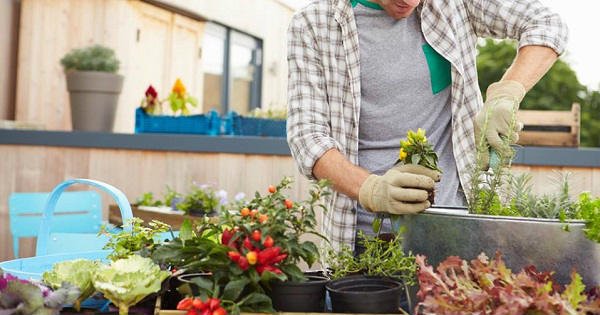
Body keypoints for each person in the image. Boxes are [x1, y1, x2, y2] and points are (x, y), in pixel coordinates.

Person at [286, 0, 568, 251]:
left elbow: (546, 23)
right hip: (361, 240)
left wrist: (507, 92)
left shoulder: (453, 5)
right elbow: (307, 137)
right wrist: (371, 189)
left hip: (455, 231)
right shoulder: (313, 24)